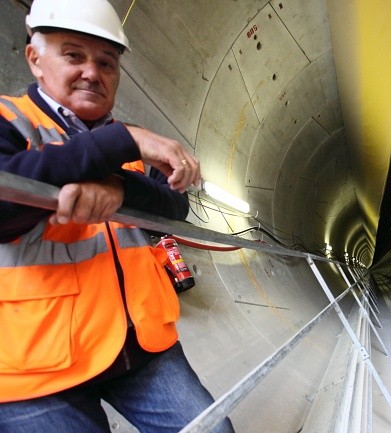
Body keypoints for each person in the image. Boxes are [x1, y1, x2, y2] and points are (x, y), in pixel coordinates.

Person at [0, 1, 235, 432]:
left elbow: (173, 207)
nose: (92, 71)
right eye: (73, 55)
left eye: (106, 62)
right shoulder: (9, 121)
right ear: (35, 59)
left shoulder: (123, 147)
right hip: (35, 365)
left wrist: (119, 187)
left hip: (139, 346)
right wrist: (121, 140)